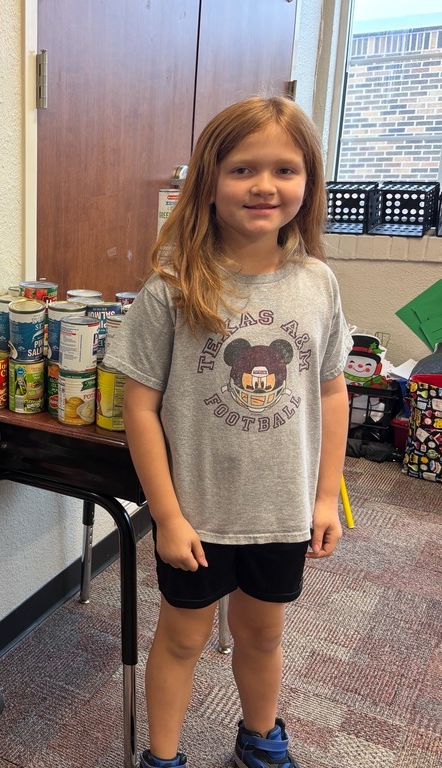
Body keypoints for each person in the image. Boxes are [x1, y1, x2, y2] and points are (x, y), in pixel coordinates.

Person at [104, 96, 350, 768]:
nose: (265, 186)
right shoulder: (173, 288)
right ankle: (163, 756)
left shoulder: (318, 284)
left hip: (283, 513)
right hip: (199, 517)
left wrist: (325, 497)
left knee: (263, 634)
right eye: (243, 169)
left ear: (309, 181)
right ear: (208, 182)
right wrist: (166, 514)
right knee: (182, 638)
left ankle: (260, 738)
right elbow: (140, 410)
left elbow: (332, 390)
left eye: (284, 169)